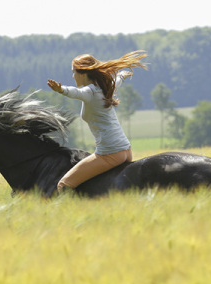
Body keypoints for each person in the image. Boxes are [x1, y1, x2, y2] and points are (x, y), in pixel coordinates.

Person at [47, 50, 148, 192]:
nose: (73, 76)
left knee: (63, 185)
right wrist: (122, 76)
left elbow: (76, 93)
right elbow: (116, 81)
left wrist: (61, 89)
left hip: (110, 152)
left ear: (83, 73)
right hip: (125, 150)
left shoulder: (90, 92)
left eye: (74, 72)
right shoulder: (104, 87)